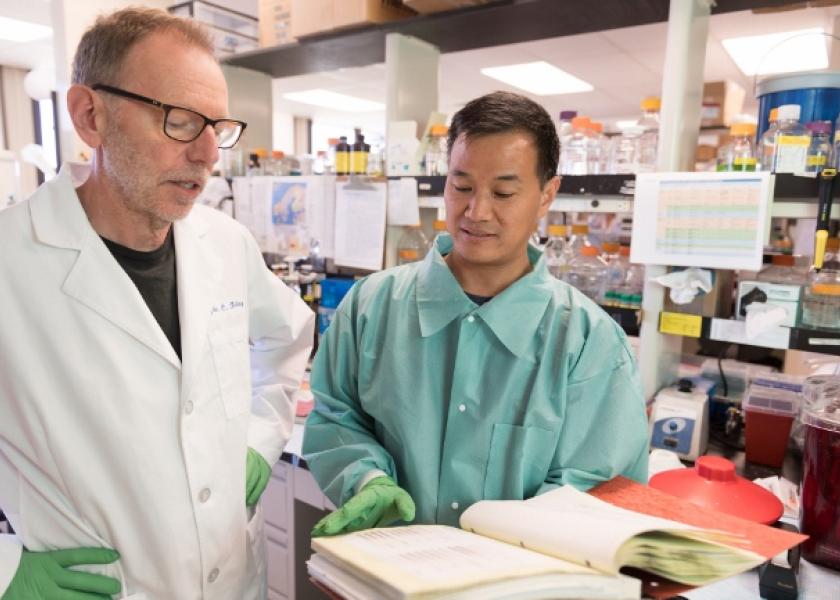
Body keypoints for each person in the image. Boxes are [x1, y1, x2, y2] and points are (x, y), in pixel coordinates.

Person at [0, 8, 314, 599]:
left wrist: (259, 437)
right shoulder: (9, 262)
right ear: (90, 116)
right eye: (179, 121)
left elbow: (287, 339)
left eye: (217, 127)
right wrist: (5, 570)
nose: (207, 154)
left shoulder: (225, 242)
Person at [303, 91, 648, 536]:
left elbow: (601, 489)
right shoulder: (371, 307)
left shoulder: (588, 344)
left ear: (547, 195)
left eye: (503, 191)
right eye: (461, 186)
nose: (476, 211)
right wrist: (367, 477)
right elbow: (334, 416)